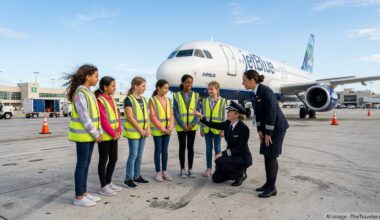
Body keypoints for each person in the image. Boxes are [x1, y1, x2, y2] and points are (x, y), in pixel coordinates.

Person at [242, 69, 289, 198]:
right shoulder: (254, 93)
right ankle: (268, 184)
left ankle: (272, 187)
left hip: (277, 128)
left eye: (244, 80)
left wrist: (268, 132)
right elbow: (258, 113)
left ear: (252, 81)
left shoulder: (266, 91)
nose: (243, 83)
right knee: (266, 155)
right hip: (267, 128)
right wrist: (259, 130)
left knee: (271, 156)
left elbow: (271, 113)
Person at [64, 64, 103, 207]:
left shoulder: (89, 92)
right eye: (96, 76)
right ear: (88, 76)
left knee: (86, 165)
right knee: (81, 165)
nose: (97, 79)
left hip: (90, 136)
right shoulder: (80, 93)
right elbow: (84, 117)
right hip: (83, 136)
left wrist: (99, 133)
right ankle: (79, 196)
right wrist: (95, 133)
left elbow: (95, 116)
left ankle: (84, 193)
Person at [194, 101, 252, 186]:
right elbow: (214, 124)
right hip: (232, 155)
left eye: (230, 111)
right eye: (228, 111)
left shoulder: (244, 128)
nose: (227, 113)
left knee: (219, 160)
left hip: (242, 157)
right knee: (216, 178)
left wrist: (222, 153)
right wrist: (202, 117)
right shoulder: (228, 124)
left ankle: (240, 175)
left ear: (236, 114)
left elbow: (240, 148)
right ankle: (235, 173)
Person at [94, 76, 123, 196]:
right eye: (113, 86)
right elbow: (104, 120)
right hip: (105, 136)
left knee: (114, 158)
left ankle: (109, 181)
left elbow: (117, 117)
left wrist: (119, 130)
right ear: (105, 87)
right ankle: (103, 186)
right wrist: (113, 133)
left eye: (115, 86)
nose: (115, 88)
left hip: (114, 136)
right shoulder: (100, 100)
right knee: (103, 160)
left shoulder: (111, 99)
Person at [123, 77, 150, 189]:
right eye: (143, 85)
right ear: (135, 86)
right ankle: (128, 179)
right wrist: (141, 130)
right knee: (133, 155)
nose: (145, 88)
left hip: (143, 132)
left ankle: (137, 176)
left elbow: (146, 116)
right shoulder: (129, 99)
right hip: (134, 132)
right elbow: (129, 117)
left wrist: (147, 129)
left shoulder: (144, 99)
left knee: (139, 155)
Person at [173, 74, 201, 178]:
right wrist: (183, 125)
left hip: (192, 127)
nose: (189, 84)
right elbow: (175, 112)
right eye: (187, 82)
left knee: (190, 148)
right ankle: (182, 170)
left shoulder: (196, 95)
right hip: (181, 127)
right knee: (182, 147)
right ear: (182, 82)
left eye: (191, 82)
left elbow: (198, 111)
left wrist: (192, 124)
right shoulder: (176, 95)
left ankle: (190, 169)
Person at [149, 79, 174, 182]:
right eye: (165, 88)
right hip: (158, 130)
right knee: (158, 150)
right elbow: (153, 116)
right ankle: (158, 172)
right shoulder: (152, 100)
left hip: (167, 130)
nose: (167, 90)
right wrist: (163, 129)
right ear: (158, 88)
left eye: (168, 88)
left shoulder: (169, 100)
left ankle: (164, 171)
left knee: (165, 151)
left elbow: (171, 115)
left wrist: (171, 127)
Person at [200, 81, 226, 177]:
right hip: (207, 129)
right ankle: (209, 168)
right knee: (208, 149)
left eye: (212, 89)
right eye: (209, 89)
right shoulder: (205, 101)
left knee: (217, 148)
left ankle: (219, 168)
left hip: (218, 130)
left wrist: (223, 130)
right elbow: (201, 116)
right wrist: (201, 128)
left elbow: (224, 116)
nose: (210, 91)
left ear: (217, 90)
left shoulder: (222, 101)